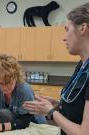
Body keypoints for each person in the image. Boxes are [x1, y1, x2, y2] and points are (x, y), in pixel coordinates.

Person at [23, 2, 89, 135]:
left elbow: (84, 132)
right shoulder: (82, 65)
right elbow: (79, 109)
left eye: (67, 29)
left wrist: (51, 112)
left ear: (83, 28)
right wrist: (58, 105)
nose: (63, 38)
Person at [0, 54, 46, 135]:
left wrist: (0, 127)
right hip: (11, 127)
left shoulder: (24, 90)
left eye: (8, 83)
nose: (5, 88)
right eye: (1, 83)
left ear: (16, 77)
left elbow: (24, 122)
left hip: (34, 126)